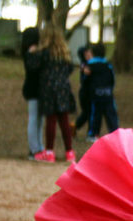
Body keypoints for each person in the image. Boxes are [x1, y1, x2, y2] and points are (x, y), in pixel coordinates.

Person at [27, 22, 76, 163]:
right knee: (64, 121)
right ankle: (69, 152)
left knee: (51, 121)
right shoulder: (64, 54)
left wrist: (30, 53)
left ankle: (50, 152)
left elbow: (33, 66)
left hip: (48, 90)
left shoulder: (44, 53)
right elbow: (70, 69)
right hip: (63, 90)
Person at [86, 43, 119, 140]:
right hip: (108, 94)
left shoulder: (90, 65)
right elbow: (112, 79)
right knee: (111, 114)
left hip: (95, 95)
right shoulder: (108, 65)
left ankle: (93, 134)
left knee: (96, 114)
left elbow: (85, 80)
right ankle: (115, 133)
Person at [21, 27, 44, 160]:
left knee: (39, 120)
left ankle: (38, 146)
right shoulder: (30, 54)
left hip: (37, 90)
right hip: (33, 90)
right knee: (34, 119)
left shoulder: (30, 53)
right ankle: (34, 148)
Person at [73, 45, 92, 139]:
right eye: (88, 52)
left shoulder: (88, 63)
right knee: (88, 113)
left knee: (87, 113)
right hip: (85, 93)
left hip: (88, 92)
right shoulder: (84, 65)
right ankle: (89, 132)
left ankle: (74, 127)